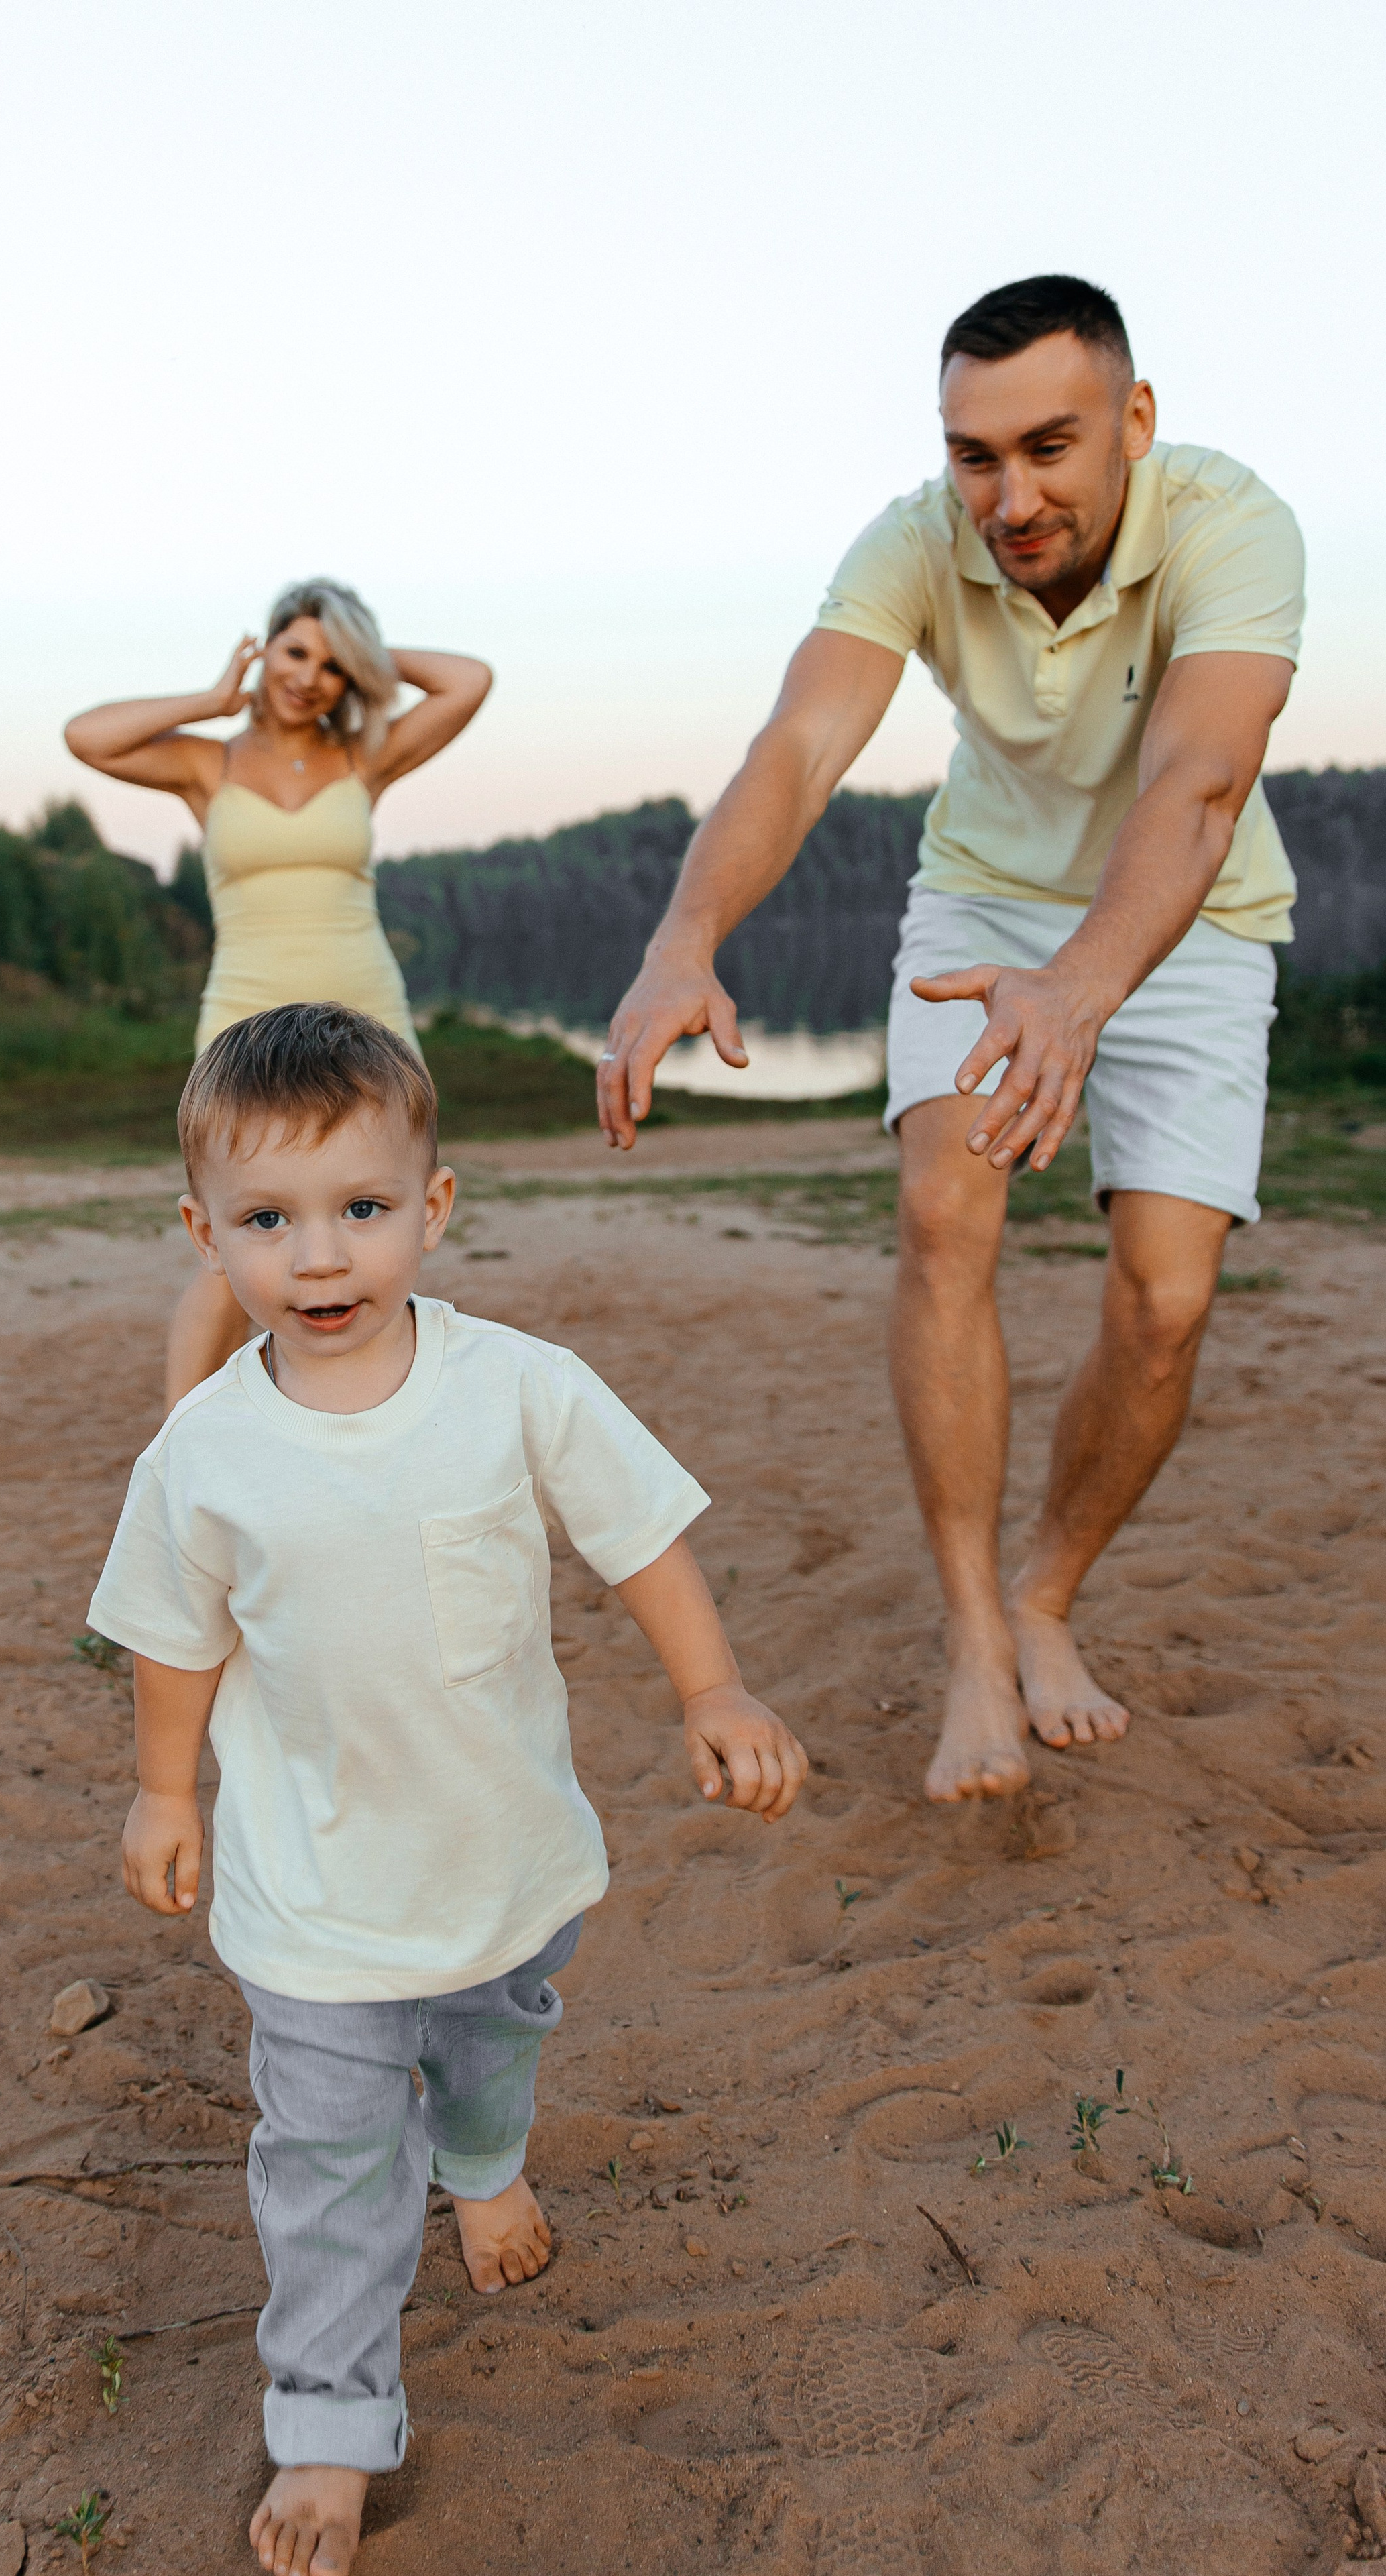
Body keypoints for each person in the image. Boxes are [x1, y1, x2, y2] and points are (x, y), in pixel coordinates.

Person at [88, 1003, 807, 2576]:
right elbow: (171, 1636)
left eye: (361, 1207)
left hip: (498, 1868)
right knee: (331, 2168)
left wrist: (713, 1686)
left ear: (436, 1204)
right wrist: (165, 1791)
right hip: (314, 1900)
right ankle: (329, 2421)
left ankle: (481, 2164)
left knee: (487, 2062)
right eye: (269, 1220)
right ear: (202, 1234)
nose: (321, 1255)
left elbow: (635, 1537)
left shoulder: (517, 1385)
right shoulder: (200, 1451)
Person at [596, 274, 1303, 1807]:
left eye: (1045, 447)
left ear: (1132, 421)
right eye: (971, 455)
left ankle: (1046, 1589)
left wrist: (1082, 983)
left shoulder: (1233, 527)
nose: (1007, 493)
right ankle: (977, 1637)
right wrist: (680, 937)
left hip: (1183, 913)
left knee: (1167, 1298)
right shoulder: (915, 539)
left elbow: (1193, 783)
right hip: (982, 900)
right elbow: (797, 746)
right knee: (939, 1212)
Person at [64, 579, 492, 1409]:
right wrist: (211, 697)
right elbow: (86, 736)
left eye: (336, 667)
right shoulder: (206, 761)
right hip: (242, 1017)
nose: (311, 677)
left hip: (367, 1009)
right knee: (242, 1244)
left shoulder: (363, 758)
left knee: (375, 1235)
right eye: (297, 652)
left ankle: (377, 1422)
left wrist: (368, 654)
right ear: (266, 651)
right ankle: (183, 1448)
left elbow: (468, 679)